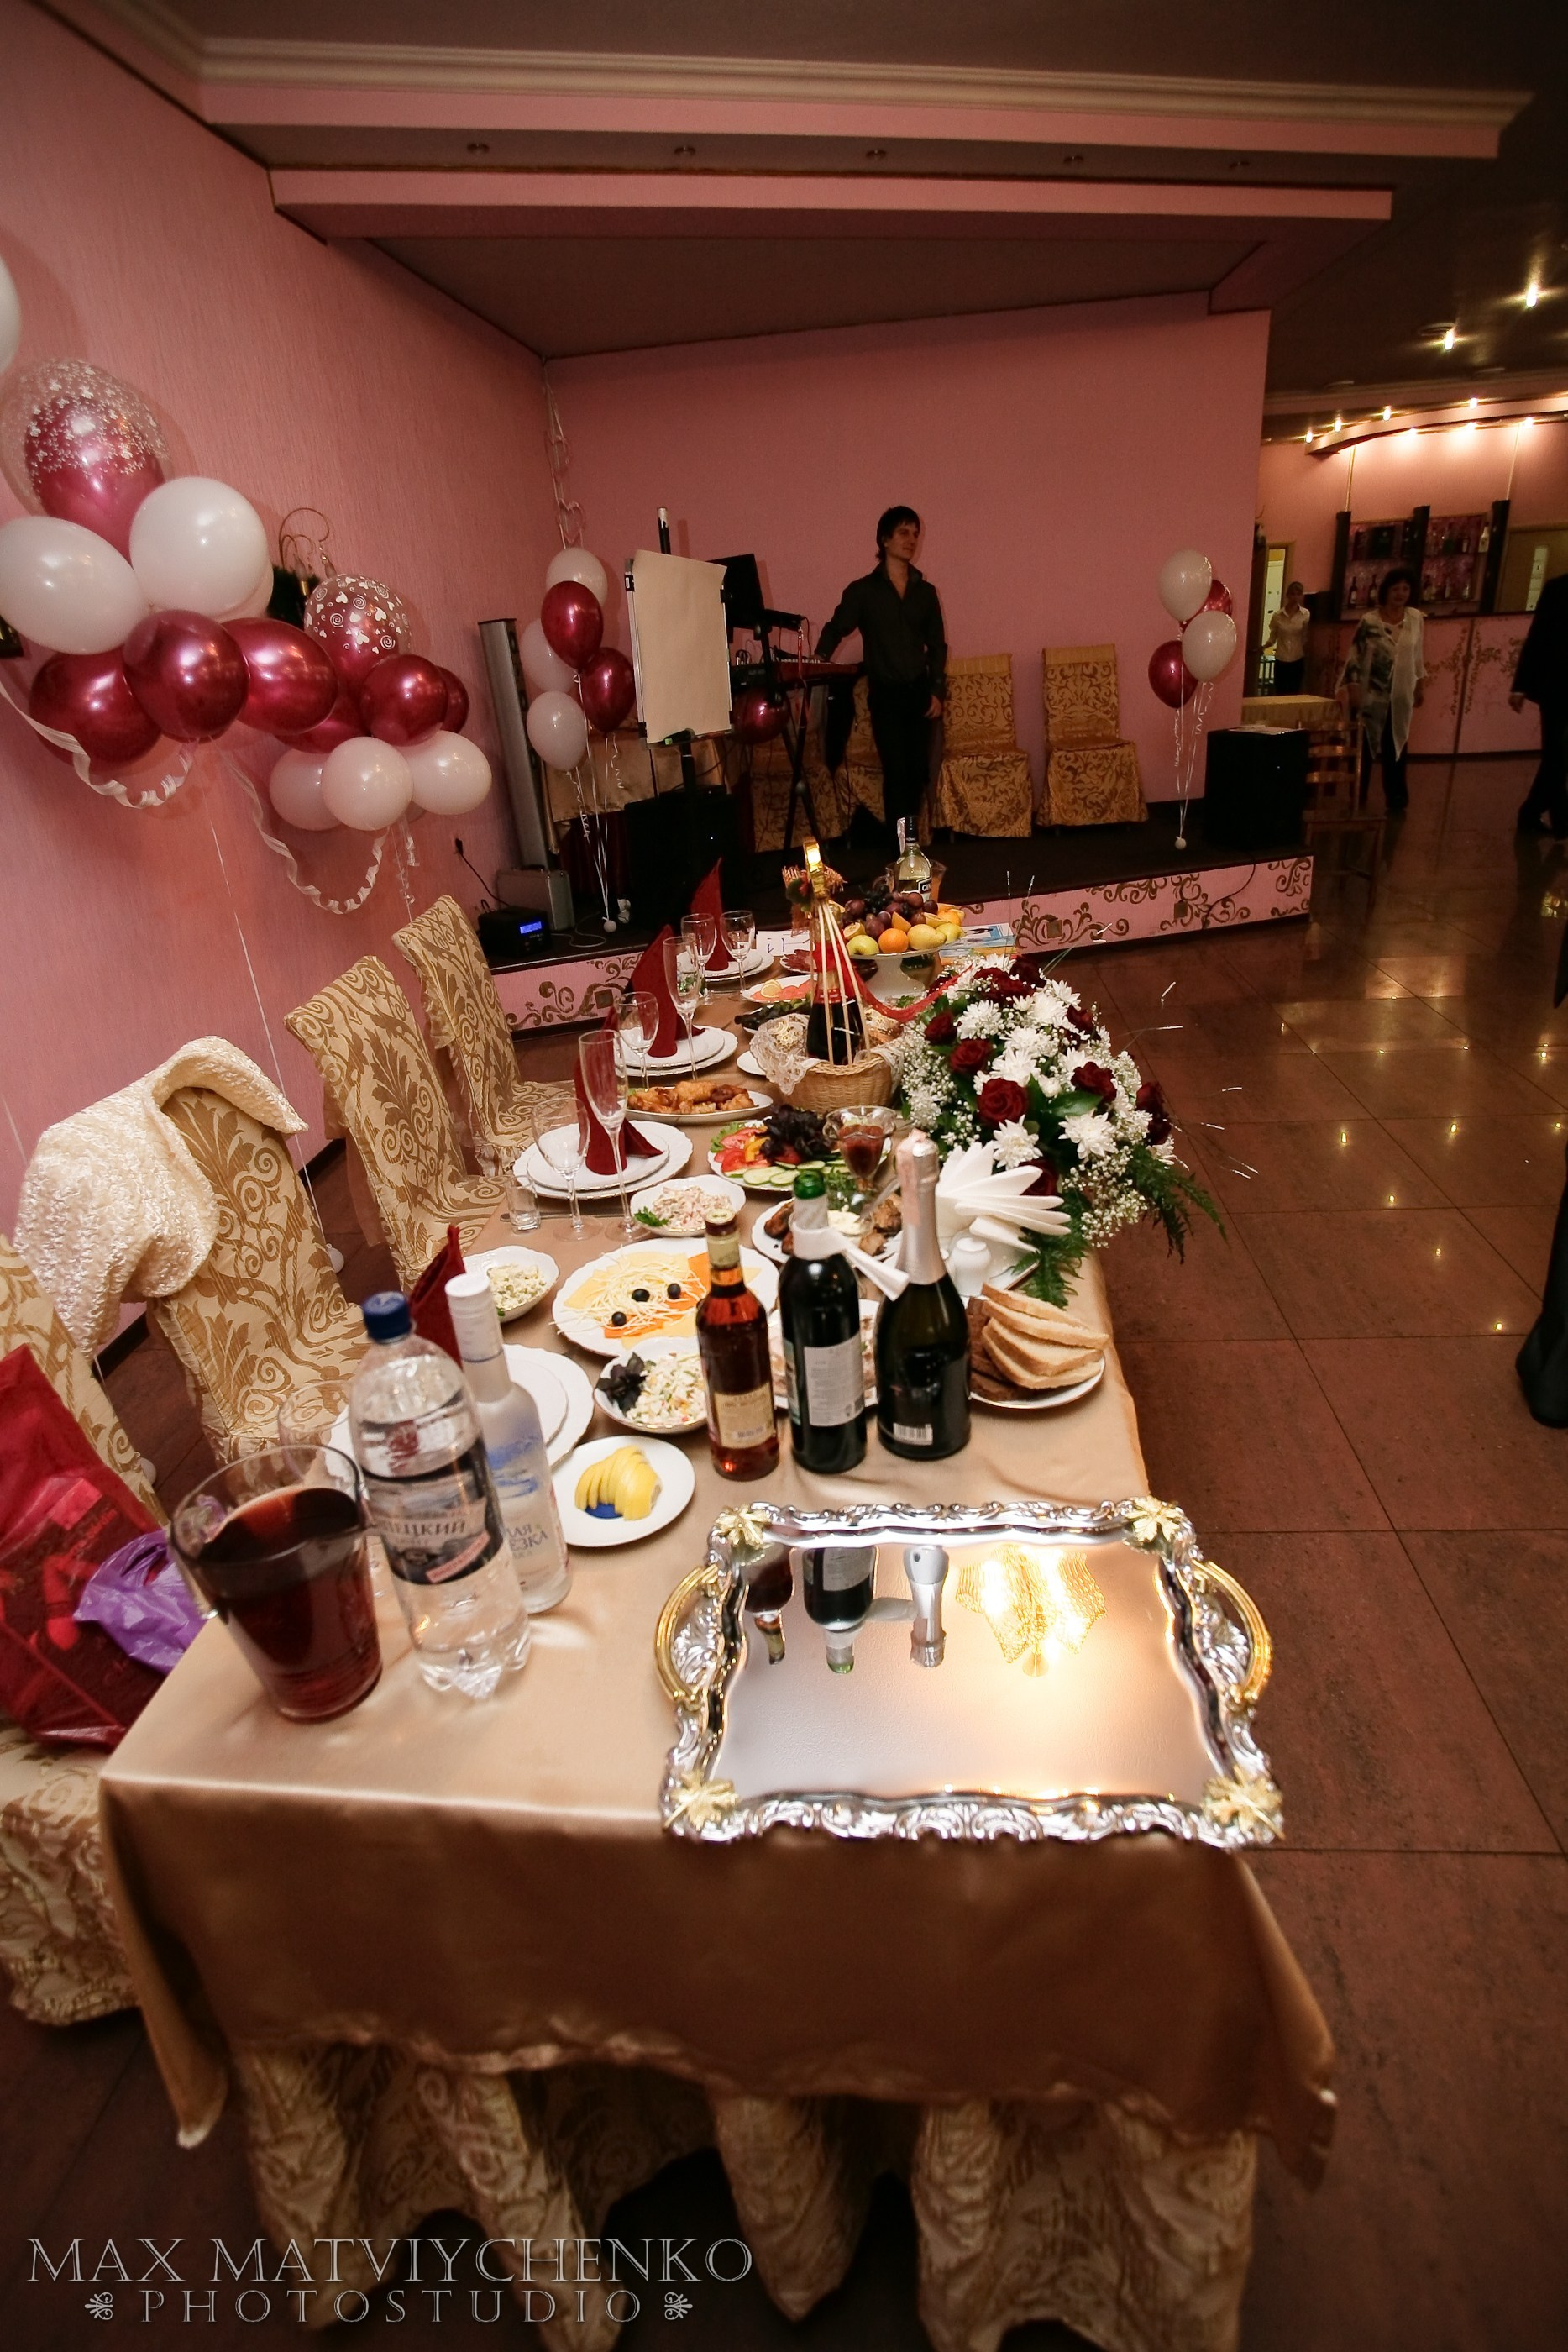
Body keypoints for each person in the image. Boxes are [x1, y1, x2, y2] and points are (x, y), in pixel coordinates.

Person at [815, 505, 947, 843]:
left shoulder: (926, 593)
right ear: (885, 539)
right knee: (896, 773)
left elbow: (937, 646)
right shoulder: (862, 592)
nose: (911, 539)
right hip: (886, 696)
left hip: (920, 695)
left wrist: (937, 690)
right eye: (903, 532)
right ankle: (900, 849)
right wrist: (817, 660)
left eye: (915, 533)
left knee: (916, 774)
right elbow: (837, 627)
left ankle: (911, 847)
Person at [1338, 564, 1426, 811]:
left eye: (1405, 589)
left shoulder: (1415, 619)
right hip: (1370, 695)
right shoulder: (1369, 621)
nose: (1400, 594)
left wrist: (1420, 685)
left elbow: (1418, 656)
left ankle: (1396, 798)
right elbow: (1354, 657)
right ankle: (1358, 795)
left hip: (1399, 696)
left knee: (1396, 744)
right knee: (1364, 747)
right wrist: (1353, 688)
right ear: (1386, 591)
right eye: (1396, 589)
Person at [1508, 570, 1568, 837]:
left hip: (1556, 684)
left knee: (1558, 756)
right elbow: (1537, 637)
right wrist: (1520, 685)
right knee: (1556, 754)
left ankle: (1533, 813)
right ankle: (1556, 818)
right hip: (1556, 685)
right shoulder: (1557, 589)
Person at [1265, 580, 1310, 694]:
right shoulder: (1277, 616)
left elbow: (1305, 635)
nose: (1295, 597)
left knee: (1294, 691)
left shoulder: (1305, 614)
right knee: (1280, 691)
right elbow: (1273, 637)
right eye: (1293, 594)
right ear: (1287, 595)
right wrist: (1263, 647)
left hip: (1297, 657)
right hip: (1281, 658)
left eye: (1298, 594)